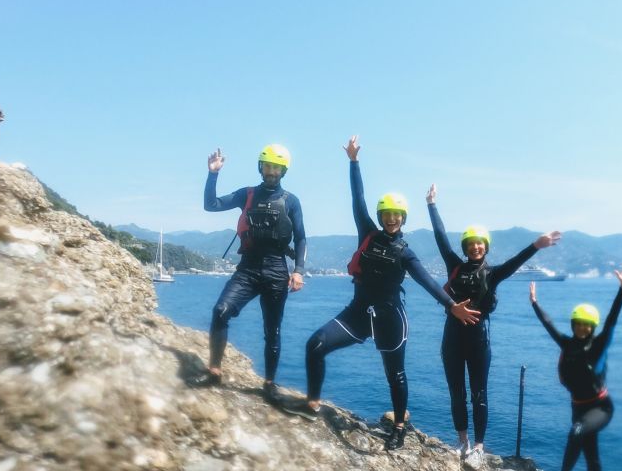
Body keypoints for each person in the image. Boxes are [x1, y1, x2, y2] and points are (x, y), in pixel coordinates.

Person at [283, 136, 479, 451]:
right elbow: (356, 197)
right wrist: (354, 162)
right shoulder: (367, 232)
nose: (391, 218)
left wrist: (452, 305)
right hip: (359, 313)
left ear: (403, 219)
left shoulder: (406, 252)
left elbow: (428, 281)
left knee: (395, 375)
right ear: (380, 215)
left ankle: (399, 426)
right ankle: (313, 404)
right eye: (387, 213)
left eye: (397, 214)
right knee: (315, 345)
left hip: (390, 318)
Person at [426, 184, 561, 470]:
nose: (476, 246)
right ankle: (461, 441)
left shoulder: (492, 273)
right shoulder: (454, 265)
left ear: (486, 246)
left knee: (479, 393)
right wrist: (432, 206)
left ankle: (478, 447)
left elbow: (514, 263)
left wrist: (536, 245)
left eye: (480, 243)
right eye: (471, 243)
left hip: (478, 341)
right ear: (465, 247)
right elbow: (440, 239)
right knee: (456, 392)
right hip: (452, 338)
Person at [190, 144, 306, 399]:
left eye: (276, 167)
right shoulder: (247, 194)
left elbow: (301, 239)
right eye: (267, 166)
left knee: (272, 330)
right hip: (248, 268)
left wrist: (298, 270)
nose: (271, 171)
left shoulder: (291, 201)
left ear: (283, 170)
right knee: (220, 311)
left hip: (277, 269)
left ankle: (269, 384)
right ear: (260, 167)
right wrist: (213, 174)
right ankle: (215, 371)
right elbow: (211, 205)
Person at [529, 261, 622, 471]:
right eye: (578, 323)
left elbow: (611, 320)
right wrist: (534, 302)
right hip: (578, 406)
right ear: (574, 324)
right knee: (590, 451)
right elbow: (548, 324)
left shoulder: (598, 345)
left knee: (577, 431)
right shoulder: (567, 344)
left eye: (587, 325)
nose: (582, 328)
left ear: (592, 327)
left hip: (601, 407)